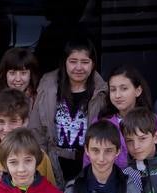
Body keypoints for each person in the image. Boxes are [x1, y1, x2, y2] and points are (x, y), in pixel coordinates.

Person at [32, 38, 109, 182]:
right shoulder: (48, 88)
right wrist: (41, 166)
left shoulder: (102, 92)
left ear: (93, 64)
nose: (79, 67)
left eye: (85, 62)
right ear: (64, 62)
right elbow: (37, 132)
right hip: (54, 163)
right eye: (73, 61)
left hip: (90, 164)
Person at [93, 65, 157, 169]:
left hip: (149, 182)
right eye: (113, 90)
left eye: (124, 89)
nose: (117, 95)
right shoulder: (100, 122)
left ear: (138, 91)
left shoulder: (153, 121)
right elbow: (89, 162)